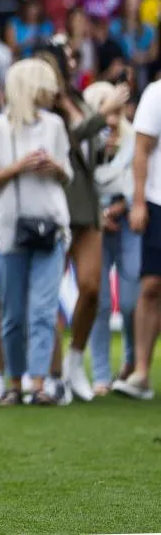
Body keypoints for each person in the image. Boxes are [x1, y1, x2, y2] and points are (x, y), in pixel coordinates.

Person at [36, 40, 130, 402]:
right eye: (69, 57)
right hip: (56, 204)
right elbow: (69, 138)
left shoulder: (75, 99)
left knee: (91, 287)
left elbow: (91, 139)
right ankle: (53, 373)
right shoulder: (45, 106)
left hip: (86, 203)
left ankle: (75, 359)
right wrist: (104, 110)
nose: (75, 61)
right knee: (48, 292)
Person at [0, 59, 73, 405]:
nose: (53, 92)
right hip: (8, 229)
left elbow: (68, 176)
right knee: (13, 312)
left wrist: (55, 166)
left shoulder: (56, 126)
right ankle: (14, 382)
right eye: (46, 85)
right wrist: (19, 167)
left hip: (51, 226)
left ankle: (39, 383)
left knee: (44, 310)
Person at [83, 82, 141, 395]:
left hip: (130, 222)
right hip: (94, 226)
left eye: (118, 112)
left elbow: (143, 178)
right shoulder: (85, 141)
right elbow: (78, 181)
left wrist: (119, 208)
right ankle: (101, 375)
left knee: (132, 300)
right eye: (107, 112)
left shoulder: (136, 140)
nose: (113, 120)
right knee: (99, 302)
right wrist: (100, 214)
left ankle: (132, 362)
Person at [113, 77, 161, 400]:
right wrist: (139, 201)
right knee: (152, 286)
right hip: (159, 201)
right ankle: (141, 371)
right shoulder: (157, 93)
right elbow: (141, 151)